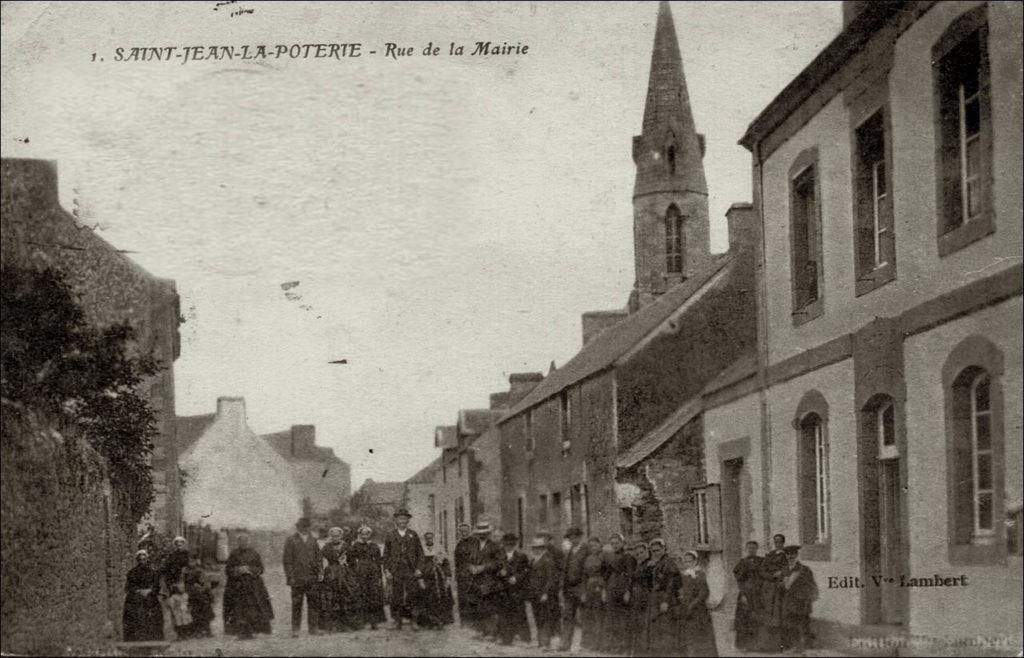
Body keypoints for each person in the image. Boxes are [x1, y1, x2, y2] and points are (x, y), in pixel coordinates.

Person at [223, 534, 274, 639]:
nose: (244, 543)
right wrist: (238, 570)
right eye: (241, 541)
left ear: (249, 542)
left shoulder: (255, 554)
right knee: (238, 608)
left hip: (253, 585)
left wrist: (250, 569)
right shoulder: (233, 554)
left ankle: (254, 630)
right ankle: (239, 631)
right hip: (237, 585)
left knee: (254, 607)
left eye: (246, 541)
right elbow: (228, 569)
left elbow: (261, 568)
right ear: (238, 542)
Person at [382, 508, 424, 630]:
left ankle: (414, 621)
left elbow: (420, 553)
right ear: (396, 520)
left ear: (408, 520)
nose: (402, 521)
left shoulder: (413, 534)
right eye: (400, 519)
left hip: (411, 570)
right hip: (396, 570)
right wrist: (387, 570)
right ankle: (397, 621)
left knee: (413, 595)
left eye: (404, 519)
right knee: (396, 596)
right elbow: (386, 555)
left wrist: (419, 568)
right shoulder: (390, 535)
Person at [283, 517, 323, 637]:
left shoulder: (313, 540)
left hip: (312, 577)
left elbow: (318, 558)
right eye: (302, 526)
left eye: (306, 526)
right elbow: (287, 561)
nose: (304, 529)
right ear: (298, 527)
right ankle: (295, 629)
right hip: (297, 578)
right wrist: (290, 577)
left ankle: (313, 628)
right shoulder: (290, 540)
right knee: (297, 604)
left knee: (314, 603)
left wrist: (320, 572)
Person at [647, 538, 684, 657]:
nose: (656, 553)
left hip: (666, 597)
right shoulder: (658, 563)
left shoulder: (669, 563)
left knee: (666, 625)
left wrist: (665, 601)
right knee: (659, 624)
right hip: (658, 596)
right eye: (653, 551)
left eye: (658, 550)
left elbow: (671, 583)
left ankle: (668, 652)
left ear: (664, 549)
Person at [466, 521, 502, 639]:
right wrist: (471, 567)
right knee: (478, 606)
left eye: (484, 533)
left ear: (488, 533)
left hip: (489, 580)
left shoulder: (494, 546)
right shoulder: (473, 545)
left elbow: (499, 563)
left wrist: (484, 567)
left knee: (489, 606)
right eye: (480, 533)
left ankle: (492, 632)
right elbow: (469, 560)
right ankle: (482, 631)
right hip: (475, 579)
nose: (482, 535)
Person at [600, 533, 636, 655]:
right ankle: (613, 645)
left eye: (617, 543)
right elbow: (605, 575)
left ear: (622, 543)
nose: (615, 546)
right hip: (612, 588)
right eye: (613, 544)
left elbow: (631, 575)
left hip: (622, 588)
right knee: (612, 618)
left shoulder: (628, 557)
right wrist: (605, 590)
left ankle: (624, 646)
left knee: (623, 619)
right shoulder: (610, 557)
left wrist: (628, 591)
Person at [679, 551, 718, 657]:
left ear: (695, 561)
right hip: (686, 609)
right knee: (689, 637)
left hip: (699, 610)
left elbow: (704, 593)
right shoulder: (683, 575)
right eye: (686, 561)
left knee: (701, 637)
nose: (688, 564)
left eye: (690, 561)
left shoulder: (700, 574)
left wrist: (692, 605)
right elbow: (681, 590)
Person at [413, 531, 454, 629]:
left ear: (433, 538)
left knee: (440, 598)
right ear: (425, 539)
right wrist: (419, 578)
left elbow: (446, 564)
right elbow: (418, 565)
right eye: (427, 538)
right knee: (426, 599)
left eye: (431, 537)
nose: (429, 539)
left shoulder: (439, 548)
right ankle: (429, 622)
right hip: (426, 578)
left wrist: (448, 577)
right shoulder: (421, 550)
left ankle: (440, 621)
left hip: (439, 579)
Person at [494, 532, 530, 645]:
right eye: (507, 544)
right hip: (503, 589)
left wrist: (517, 578)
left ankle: (525, 638)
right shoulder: (498, 555)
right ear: (503, 544)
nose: (509, 546)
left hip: (517, 589)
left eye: (512, 544)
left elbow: (526, 571)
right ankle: (506, 638)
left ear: (515, 544)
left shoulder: (521, 556)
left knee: (520, 613)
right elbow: (493, 571)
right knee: (504, 614)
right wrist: (500, 573)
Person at [780, 545, 817, 652]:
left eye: (792, 554)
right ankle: (792, 646)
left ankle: (807, 647)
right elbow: (778, 586)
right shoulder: (783, 570)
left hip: (801, 603)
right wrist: (782, 583)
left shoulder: (804, 570)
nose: (790, 556)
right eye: (787, 554)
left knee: (804, 625)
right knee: (789, 625)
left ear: (796, 555)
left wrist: (804, 597)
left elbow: (811, 586)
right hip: (787, 603)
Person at [348, 525, 386, 629]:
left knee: (373, 595)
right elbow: (350, 560)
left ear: (370, 535)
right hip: (360, 571)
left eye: (367, 534)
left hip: (372, 571)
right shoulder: (355, 545)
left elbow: (378, 561)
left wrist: (379, 575)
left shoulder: (374, 546)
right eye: (362, 534)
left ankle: (373, 622)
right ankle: (361, 621)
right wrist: (355, 570)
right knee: (361, 595)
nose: (364, 536)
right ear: (359, 535)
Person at [527, 536, 561, 651]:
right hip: (534, 594)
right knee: (537, 617)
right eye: (535, 548)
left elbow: (551, 579)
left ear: (543, 548)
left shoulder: (548, 560)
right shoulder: (533, 560)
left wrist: (546, 593)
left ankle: (546, 643)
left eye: (539, 548)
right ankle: (541, 642)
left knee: (545, 618)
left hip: (544, 594)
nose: (536, 550)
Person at [123, 549, 164, 642]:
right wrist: (138, 591)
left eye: (144, 559)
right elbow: (129, 587)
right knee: (135, 610)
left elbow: (157, 586)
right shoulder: (132, 572)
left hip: (150, 595)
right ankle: (136, 638)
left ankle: (153, 638)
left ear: (147, 559)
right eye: (140, 559)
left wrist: (150, 591)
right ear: (137, 560)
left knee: (153, 611)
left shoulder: (153, 572)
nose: (142, 561)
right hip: (136, 596)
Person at [558, 526, 587, 651]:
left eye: (575, 537)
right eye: (570, 537)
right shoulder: (569, 551)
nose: (573, 539)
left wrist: (584, 590)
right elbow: (565, 570)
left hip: (580, 587)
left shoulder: (586, 550)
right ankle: (565, 643)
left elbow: (587, 571)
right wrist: (562, 587)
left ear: (580, 537)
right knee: (567, 616)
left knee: (584, 617)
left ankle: (585, 644)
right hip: (568, 588)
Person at [759, 533, 789, 652]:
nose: (778, 544)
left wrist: (781, 573)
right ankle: (767, 644)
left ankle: (779, 645)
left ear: (783, 543)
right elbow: (762, 570)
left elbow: (787, 570)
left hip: (779, 589)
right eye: (776, 541)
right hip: (768, 588)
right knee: (767, 615)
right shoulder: (769, 555)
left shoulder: (786, 555)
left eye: (780, 542)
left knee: (778, 616)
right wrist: (771, 575)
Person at [733, 540, 764, 651]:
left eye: (754, 548)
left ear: (757, 549)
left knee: (757, 618)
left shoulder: (762, 561)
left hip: (758, 594)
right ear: (746, 549)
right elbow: (739, 579)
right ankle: (743, 645)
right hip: (746, 593)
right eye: (749, 548)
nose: (751, 550)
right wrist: (743, 594)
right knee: (744, 619)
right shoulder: (742, 562)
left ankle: (756, 644)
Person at [319, 527, 351, 633]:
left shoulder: (346, 546)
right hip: (331, 573)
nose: (335, 538)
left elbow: (352, 559)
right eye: (333, 536)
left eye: (337, 536)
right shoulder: (326, 547)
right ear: (330, 536)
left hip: (344, 573)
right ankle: (331, 625)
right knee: (331, 599)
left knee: (345, 597)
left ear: (341, 536)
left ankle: (344, 624)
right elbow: (320, 559)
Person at [580, 536, 607, 652]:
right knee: (588, 616)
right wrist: (583, 592)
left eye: (595, 545)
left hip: (599, 588)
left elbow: (607, 575)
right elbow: (584, 577)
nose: (593, 548)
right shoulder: (588, 559)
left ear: (600, 545)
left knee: (598, 617)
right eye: (591, 546)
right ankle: (588, 643)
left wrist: (603, 589)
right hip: (589, 588)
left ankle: (599, 644)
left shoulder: (604, 557)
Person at [629, 540, 653, 657]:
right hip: (636, 596)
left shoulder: (651, 565)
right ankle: (637, 650)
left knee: (644, 624)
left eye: (642, 552)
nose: (639, 555)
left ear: (647, 551)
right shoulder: (638, 565)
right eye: (637, 554)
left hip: (646, 596)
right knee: (636, 623)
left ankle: (644, 651)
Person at [183, 554, 216, 639]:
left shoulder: (199, 571)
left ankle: (206, 629)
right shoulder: (185, 571)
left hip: (200, 594)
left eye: (193, 561)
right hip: (190, 594)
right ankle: (196, 630)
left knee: (205, 607)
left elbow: (206, 584)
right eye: (190, 561)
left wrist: (204, 589)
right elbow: (184, 584)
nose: (191, 563)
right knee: (195, 611)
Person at [452, 523, 476, 628]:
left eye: (465, 531)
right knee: (462, 598)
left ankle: (473, 621)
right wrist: (457, 574)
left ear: (469, 531)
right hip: (462, 574)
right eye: (461, 531)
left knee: (473, 597)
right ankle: (464, 621)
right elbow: (457, 561)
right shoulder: (459, 544)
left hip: (472, 574)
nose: (463, 533)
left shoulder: (475, 543)